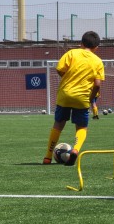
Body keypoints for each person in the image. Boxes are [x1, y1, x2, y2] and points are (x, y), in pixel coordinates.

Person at [42, 31, 104, 165]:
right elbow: (97, 84)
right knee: (81, 127)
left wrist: (68, 78)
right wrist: (91, 98)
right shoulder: (98, 61)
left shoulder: (71, 53)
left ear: (81, 43)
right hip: (82, 97)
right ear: (96, 47)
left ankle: (47, 157)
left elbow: (59, 69)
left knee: (58, 124)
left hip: (65, 94)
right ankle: (75, 150)